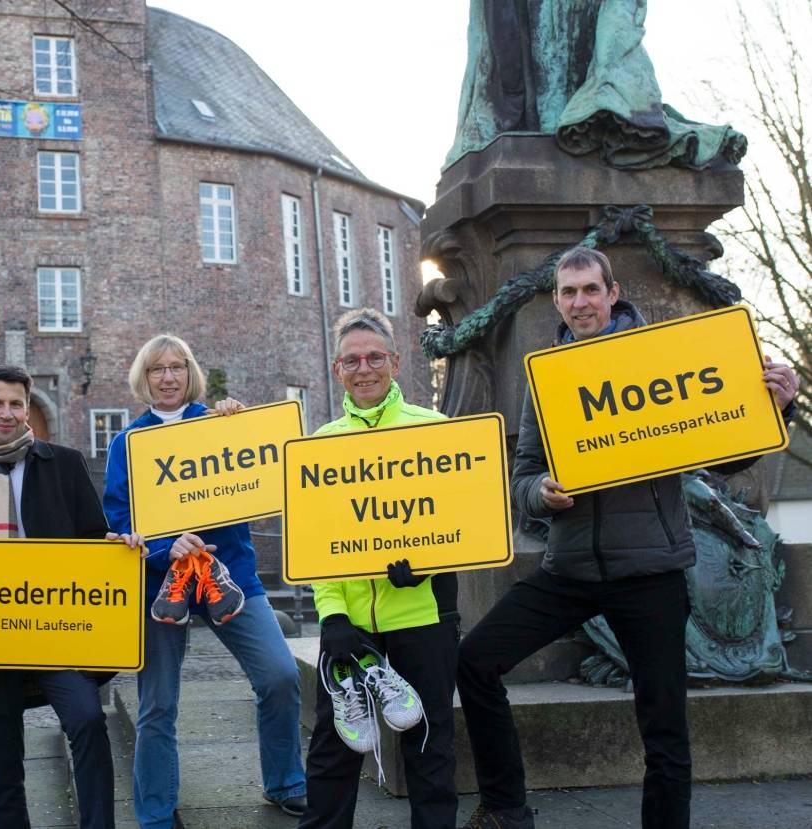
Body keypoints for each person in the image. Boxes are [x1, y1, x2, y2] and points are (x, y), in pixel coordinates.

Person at [456, 247, 801, 829]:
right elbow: (522, 474)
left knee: (664, 726)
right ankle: (506, 808)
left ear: (612, 293)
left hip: (651, 574)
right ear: (557, 302)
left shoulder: (661, 358)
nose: (579, 302)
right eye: (568, 293)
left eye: (590, 289)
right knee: (474, 661)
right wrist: (541, 492)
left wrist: (777, 409)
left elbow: (728, 454)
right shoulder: (546, 376)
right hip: (568, 572)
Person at [103, 333, 307, 827]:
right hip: (162, 585)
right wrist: (159, 547)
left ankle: (285, 781)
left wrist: (244, 420)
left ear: (189, 372)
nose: (167, 377)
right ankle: (155, 811)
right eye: (157, 370)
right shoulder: (126, 441)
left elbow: (259, 473)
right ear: (144, 379)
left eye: (176, 367)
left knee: (280, 676)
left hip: (229, 573)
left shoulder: (218, 422)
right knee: (157, 705)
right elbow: (118, 516)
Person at [0, 364, 141, 829]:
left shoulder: (64, 465)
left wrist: (115, 547)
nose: (6, 413)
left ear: (27, 411)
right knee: (3, 768)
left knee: (86, 720)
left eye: (16, 404)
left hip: (56, 631)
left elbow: (93, 538)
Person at [298, 308, 460, 829]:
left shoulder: (433, 429)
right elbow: (316, 545)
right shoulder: (321, 443)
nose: (363, 368)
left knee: (429, 742)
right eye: (352, 360)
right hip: (351, 619)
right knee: (334, 744)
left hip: (422, 612)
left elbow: (464, 522)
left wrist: (431, 563)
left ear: (395, 362)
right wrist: (332, 616)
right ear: (336, 370)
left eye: (374, 357)